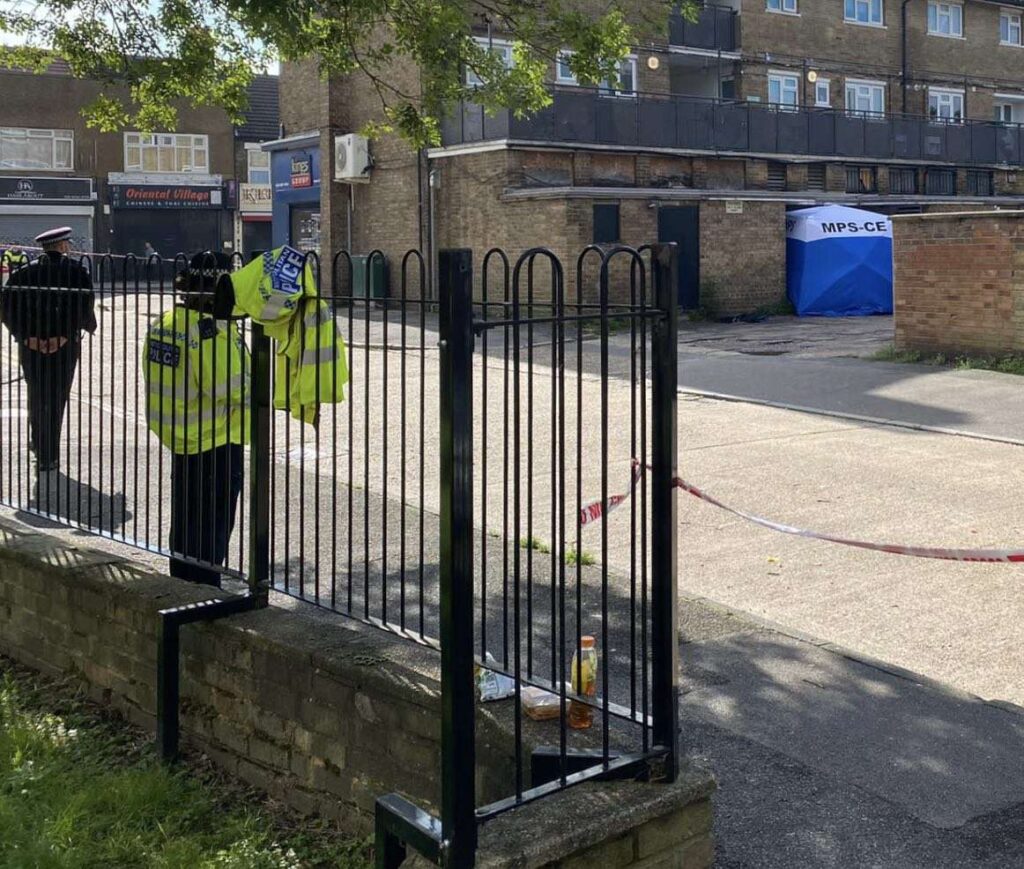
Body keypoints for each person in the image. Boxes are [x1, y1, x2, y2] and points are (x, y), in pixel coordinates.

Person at [142, 251, 249, 587]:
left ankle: (181, 585)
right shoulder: (208, 332)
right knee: (213, 525)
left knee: (186, 520)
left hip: (179, 437)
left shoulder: (166, 322)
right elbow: (230, 388)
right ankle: (205, 591)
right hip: (214, 439)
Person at [0, 227, 95, 473]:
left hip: (30, 346)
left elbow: (7, 309)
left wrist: (25, 336)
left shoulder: (22, 274)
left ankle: (38, 442)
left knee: (37, 392)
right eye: (67, 243)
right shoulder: (77, 273)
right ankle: (48, 454)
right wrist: (63, 336)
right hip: (65, 346)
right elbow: (83, 308)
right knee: (56, 397)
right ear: (62, 246)